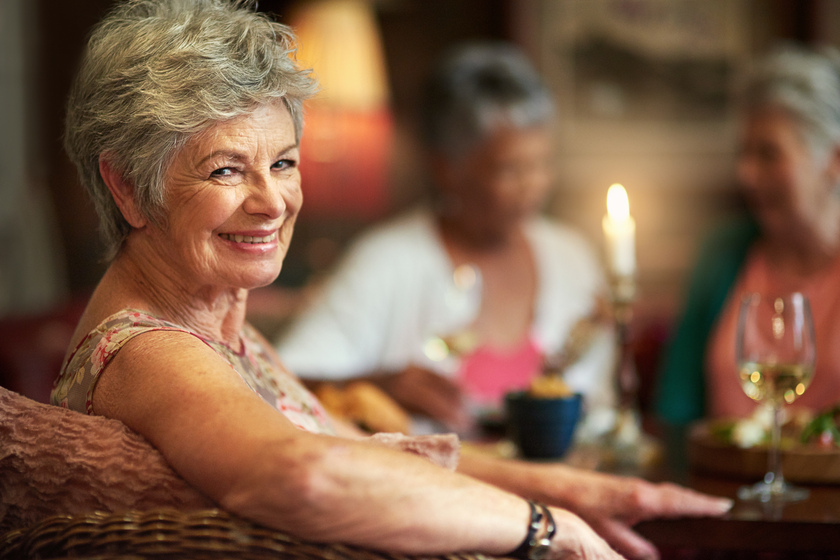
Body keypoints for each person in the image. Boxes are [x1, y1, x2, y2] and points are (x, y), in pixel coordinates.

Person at [51, 2, 731, 559]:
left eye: (283, 164)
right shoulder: (147, 350)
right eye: (227, 169)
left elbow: (350, 451)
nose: (272, 201)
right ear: (126, 189)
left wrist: (575, 491)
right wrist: (546, 529)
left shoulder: (226, 333)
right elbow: (306, 474)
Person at [277, 43, 616, 436]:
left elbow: (601, 407)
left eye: (542, 164)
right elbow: (280, 381)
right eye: (511, 170)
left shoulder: (570, 257)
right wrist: (376, 385)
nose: (534, 187)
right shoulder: (387, 261)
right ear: (446, 168)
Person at [656, 43, 840, 426]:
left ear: (834, 160)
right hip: (717, 480)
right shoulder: (722, 252)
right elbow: (675, 407)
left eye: (769, 154)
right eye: (744, 153)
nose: (747, 175)